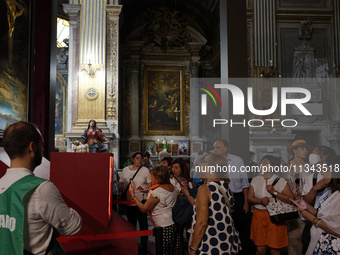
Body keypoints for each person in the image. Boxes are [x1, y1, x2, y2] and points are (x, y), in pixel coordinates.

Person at [0, 121, 82, 255]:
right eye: (41, 144)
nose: (43, 150)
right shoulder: (42, 189)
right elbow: (72, 226)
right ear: (32, 147)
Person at [189, 152, 241, 255]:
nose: (200, 165)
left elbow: (201, 223)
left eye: (204, 162)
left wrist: (193, 248)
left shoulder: (205, 189)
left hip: (210, 244)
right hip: (225, 241)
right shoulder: (225, 186)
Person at [129, 165, 181, 255]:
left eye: (152, 176)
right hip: (172, 224)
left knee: (163, 251)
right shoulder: (171, 186)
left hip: (163, 227)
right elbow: (163, 191)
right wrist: (145, 191)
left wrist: (133, 195)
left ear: (158, 178)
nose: (150, 178)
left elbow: (144, 208)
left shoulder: (156, 192)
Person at [248, 155, 294, 255]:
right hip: (259, 216)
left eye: (265, 162)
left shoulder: (281, 181)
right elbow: (250, 198)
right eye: (261, 162)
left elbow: (290, 199)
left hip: (275, 217)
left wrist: (274, 192)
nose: (262, 164)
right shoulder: (255, 180)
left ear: (273, 166)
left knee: (274, 249)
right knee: (260, 249)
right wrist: (260, 201)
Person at [294, 155, 340, 255]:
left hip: (332, 245)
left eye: (325, 167)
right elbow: (320, 212)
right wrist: (304, 205)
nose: (322, 170)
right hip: (321, 241)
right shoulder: (330, 190)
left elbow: (335, 229)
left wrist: (310, 217)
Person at [214, 139, 251, 254]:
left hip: (237, 196)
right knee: (224, 226)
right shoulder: (212, 161)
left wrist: (246, 202)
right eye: (214, 148)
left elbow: (245, 183)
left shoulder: (237, 160)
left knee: (240, 226)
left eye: (217, 147)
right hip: (220, 197)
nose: (215, 150)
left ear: (226, 148)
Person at [281, 139, 313, 255]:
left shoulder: (310, 167)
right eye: (302, 148)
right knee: (294, 239)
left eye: (306, 149)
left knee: (309, 238)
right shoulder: (284, 167)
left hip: (308, 205)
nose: (305, 151)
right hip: (291, 206)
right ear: (294, 150)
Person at [118, 152, 151, 255]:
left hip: (141, 202)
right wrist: (120, 189)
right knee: (131, 225)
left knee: (143, 225)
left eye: (141, 158)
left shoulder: (145, 170)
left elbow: (150, 185)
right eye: (137, 158)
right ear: (133, 159)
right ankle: (133, 246)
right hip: (129, 202)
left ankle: (144, 247)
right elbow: (122, 182)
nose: (139, 160)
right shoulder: (125, 170)